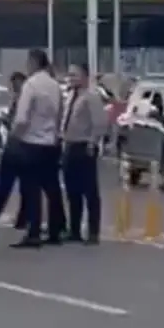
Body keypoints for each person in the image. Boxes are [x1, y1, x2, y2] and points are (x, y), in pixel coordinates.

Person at [9, 49, 64, 248]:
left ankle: (33, 232)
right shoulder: (55, 85)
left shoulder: (30, 85)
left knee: (31, 189)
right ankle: (56, 230)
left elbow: (22, 117)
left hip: (31, 142)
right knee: (52, 187)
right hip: (50, 142)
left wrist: (16, 135)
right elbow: (60, 115)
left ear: (33, 62)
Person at [60, 64, 108, 244]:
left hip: (84, 146)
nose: (71, 78)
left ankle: (93, 232)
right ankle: (74, 230)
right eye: (69, 75)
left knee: (90, 190)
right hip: (70, 145)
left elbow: (101, 123)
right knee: (72, 191)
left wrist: (93, 142)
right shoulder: (72, 96)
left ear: (85, 77)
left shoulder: (91, 97)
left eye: (75, 75)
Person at [0, 71, 28, 229]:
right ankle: (22, 220)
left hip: (15, 147)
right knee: (22, 187)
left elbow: (18, 123)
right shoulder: (19, 100)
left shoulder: (22, 101)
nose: (14, 88)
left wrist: (7, 122)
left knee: (5, 185)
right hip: (22, 147)